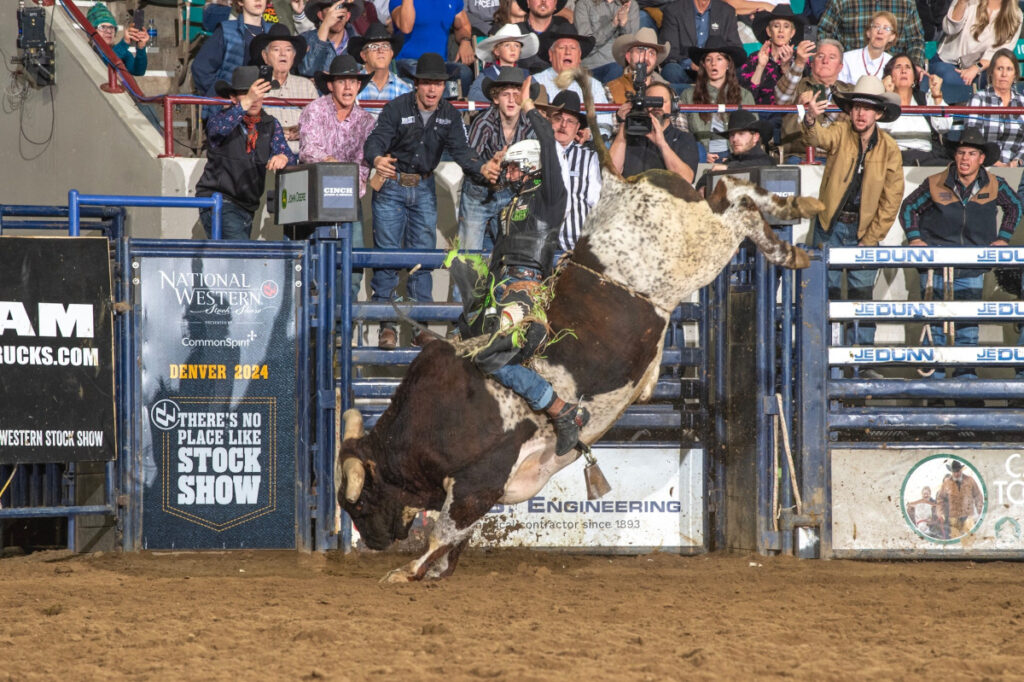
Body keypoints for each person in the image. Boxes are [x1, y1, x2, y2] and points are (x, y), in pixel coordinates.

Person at [460, 77, 590, 456]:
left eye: (514, 167)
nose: (508, 172)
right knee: (469, 346)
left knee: (489, 356)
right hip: (503, 289)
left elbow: (549, 147)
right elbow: (500, 254)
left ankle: (560, 408)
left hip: (526, 294)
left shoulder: (550, 196)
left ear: (531, 167)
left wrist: (532, 112)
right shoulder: (510, 208)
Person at [363, 53, 504, 349]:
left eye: (437, 84)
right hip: (392, 184)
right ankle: (387, 327)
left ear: (444, 86)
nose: (432, 89)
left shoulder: (450, 115)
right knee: (387, 257)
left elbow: (463, 152)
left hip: (424, 185)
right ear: (416, 84)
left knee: (423, 258)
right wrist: (376, 158)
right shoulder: (396, 107)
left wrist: (481, 167)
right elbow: (375, 140)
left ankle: (420, 326)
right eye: (427, 83)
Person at [899, 128, 1022, 386]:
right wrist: (915, 238)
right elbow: (909, 207)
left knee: (967, 328)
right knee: (935, 328)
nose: (965, 158)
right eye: (962, 153)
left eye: (972, 153)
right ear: (955, 156)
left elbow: (1014, 206)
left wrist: (1003, 238)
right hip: (935, 267)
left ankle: (966, 384)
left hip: (971, 267)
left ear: (981, 158)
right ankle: (935, 384)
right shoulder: (935, 182)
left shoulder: (994, 183)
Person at [801, 75, 904, 350]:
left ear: (878, 113)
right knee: (826, 294)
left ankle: (861, 359)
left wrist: (871, 237)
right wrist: (811, 119)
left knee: (862, 298)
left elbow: (891, 199)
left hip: (864, 229)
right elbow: (817, 137)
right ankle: (824, 355)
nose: (861, 113)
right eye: (857, 106)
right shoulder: (839, 130)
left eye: (868, 108)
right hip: (830, 226)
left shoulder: (890, 148)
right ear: (850, 109)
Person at [298, 55, 376, 292]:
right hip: (315, 199)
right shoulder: (315, 110)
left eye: (353, 81)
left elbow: (364, 164)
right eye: (342, 81)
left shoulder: (366, 121)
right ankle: (317, 325)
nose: (348, 87)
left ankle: (342, 326)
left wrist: (342, 176)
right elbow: (308, 150)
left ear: (359, 85)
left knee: (352, 266)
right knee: (313, 266)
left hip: (349, 199)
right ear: (331, 85)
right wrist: (334, 165)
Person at [195, 66, 298, 240]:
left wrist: (283, 157)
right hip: (220, 200)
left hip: (248, 206)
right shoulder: (220, 118)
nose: (254, 98)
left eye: (258, 92)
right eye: (247, 93)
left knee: (235, 261)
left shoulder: (270, 124)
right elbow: (217, 130)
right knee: (240, 254)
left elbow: (290, 157)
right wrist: (245, 103)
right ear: (233, 98)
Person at [459, 67, 538, 253]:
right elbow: (469, 161)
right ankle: (466, 283)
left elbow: (535, 163)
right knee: (469, 256)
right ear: (496, 98)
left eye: (516, 95)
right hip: (478, 193)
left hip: (511, 192)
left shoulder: (529, 125)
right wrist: (486, 168)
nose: (511, 100)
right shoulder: (483, 122)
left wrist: (522, 173)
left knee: (511, 253)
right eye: (505, 94)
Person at [538, 91, 602, 249]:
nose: (563, 125)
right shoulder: (535, 152)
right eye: (558, 119)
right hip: (539, 243)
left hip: (574, 245)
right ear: (549, 120)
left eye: (570, 121)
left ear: (578, 127)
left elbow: (596, 202)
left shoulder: (589, 158)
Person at [192, 0, 274, 120]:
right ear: (240, 2)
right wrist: (221, 95)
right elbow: (201, 68)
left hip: (265, 108)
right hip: (230, 109)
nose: (258, 0)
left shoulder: (273, 32)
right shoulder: (227, 30)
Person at [931, 0, 1023, 104]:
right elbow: (950, 29)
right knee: (949, 77)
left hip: (980, 71)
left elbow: (998, 53)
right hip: (947, 63)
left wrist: (975, 68)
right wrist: (962, 3)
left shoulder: (1016, 15)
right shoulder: (970, 3)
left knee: (991, 82)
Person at [531, 25, 614, 138]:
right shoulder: (535, 81)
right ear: (551, 55)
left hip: (584, 145)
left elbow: (605, 124)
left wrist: (588, 134)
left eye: (573, 48)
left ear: (579, 57)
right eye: (562, 48)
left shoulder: (593, 85)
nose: (568, 52)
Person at [777, 38, 853, 159]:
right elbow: (782, 98)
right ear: (811, 64)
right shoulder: (797, 85)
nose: (825, 61)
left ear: (840, 67)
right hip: (800, 155)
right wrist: (799, 62)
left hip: (838, 157)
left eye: (832, 57)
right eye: (820, 56)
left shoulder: (850, 92)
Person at [678, 42, 754, 160]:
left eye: (719, 59)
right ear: (703, 65)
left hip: (735, 155)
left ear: (728, 64)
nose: (713, 63)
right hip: (700, 155)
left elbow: (752, 132)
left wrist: (734, 157)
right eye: (709, 60)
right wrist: (699, 155)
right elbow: (681, 132)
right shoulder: (688, 95)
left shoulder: (744, 95)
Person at [610, 80, 699, 181]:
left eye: (661, 101)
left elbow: (686, 179)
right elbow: (611, 173)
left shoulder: (683, 138)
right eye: (650, 101)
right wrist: (623, 125)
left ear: (673, 107)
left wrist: (661, 143)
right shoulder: (628, 136)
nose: (657, 106)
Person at [249, 25, 315, 154]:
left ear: (293, 56)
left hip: (302, 156)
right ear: (265, 56)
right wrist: (275, 134)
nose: (283, 54)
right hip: (266, 154)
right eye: (276, 49)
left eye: (288, 50)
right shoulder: (256, 85)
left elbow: (318, 123)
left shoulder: (306, 86)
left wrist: (300, 132)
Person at [390, 0, 476, 95]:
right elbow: (406, 27)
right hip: (409, 64)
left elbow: (463, 26)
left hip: (439, 64)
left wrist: (465, 41)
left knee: (464, 73)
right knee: (425, 78)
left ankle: (455, 108)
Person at [880, 53, 951, 166]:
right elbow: (880, 132)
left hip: (927, 159)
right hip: (894, 159)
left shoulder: (926, 99)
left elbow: (944, 126)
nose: (903, 71)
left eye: (908, 67)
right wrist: (888, 97)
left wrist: (937, 96)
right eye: (898, 67)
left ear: (914, 78)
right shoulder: (881, 101)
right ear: (889, 76)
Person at [816, 0, 926, 71]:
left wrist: (915, 65)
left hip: (893, 73)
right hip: (849, 71)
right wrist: (834, 61)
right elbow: (825, 33)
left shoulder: (906, 3)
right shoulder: (841, 2)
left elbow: (915, 40)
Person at [658, 0, 743, 88]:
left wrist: (716, 63)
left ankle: (709, 92)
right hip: (687, 71)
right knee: (671, 70)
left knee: (739, 70)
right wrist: (691, 64)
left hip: (716, 70)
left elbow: (736, 48)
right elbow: (669, 51)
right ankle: (697, 93)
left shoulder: (727, 11)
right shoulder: (674, 10)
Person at [967, 48, 1024, 167]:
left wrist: (1018, 161)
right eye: (999, 69)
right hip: (985, 167)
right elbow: (973, 139)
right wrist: (994, 163)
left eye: (1009, 69)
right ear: (991, 72)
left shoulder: (1022, 102)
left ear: (1015, 75)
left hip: (1018, 168)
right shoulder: (979, 99)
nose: (1004, 74)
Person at [738, 5, 804, 105]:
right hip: (759, 116)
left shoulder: (800, 59)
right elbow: (747, 100)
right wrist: (760, 66)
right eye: (776, 26)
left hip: (788, 117)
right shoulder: (754, 58)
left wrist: (786, 68)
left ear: (792, 33)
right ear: (769, 31)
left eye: (786, 26)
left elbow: (800, 97)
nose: (781, 30)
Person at [697, 108, 774, 192]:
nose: (735, 139)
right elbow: (702, 181)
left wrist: (729, 168)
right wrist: (703, 188)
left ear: (755, 137)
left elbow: (766, 164)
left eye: (741, 134)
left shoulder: (766, 161)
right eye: (732, 135)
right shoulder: (730, 161)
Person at [467, 23, 540, 102]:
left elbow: (540, 96)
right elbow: (473, 96)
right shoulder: (487, 74)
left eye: (517, 46)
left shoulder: (525, 75)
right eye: (507, 45)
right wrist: (500, 101)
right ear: (497, 51)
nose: (513, 49)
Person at [574, 0, 640, 84]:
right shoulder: (584, 4)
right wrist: (613, 24)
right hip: (591, 67)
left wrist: (623, 24)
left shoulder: (631, 4)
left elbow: (631, 45)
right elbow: (587, 45)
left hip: (620, 67)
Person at [606, 27, 673, 104]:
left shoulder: (667, 90)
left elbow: (678, 116)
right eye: (641, 51)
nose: (646, 58)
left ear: (655, 60)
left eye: (651, 53)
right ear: (628, 56)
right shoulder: (611, 88)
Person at [299, 0, 363, 78]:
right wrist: (326, 25)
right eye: (331, 12)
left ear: (348, 16)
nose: (337, 17)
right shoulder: (305, 40)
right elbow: (308, 71)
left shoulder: (360, 44)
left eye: (341, 11)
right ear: (321, 16)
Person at [86, 3, 150, 77]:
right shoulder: (86, 50)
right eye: (103, 27)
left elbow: (138, 71)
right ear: (92, 31)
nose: (109, 31)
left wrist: (141, 47)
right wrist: (125, 42)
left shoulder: (123, 52)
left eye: (111, 27)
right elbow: (106, 64)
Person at [837, 11, 897, 85]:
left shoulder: (893, 63)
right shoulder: (847, 59)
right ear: (868, 32)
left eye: (886, 28)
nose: (880, 31)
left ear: (892, 37)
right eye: (876, 26)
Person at [514, 0, 574, 73]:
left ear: (555, 4)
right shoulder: (514, 33)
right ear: (528, 2)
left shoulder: (566, 31)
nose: (543, 1)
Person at [936, 460, 984, 537]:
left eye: (958, 471)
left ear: (961, 470)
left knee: (969, 536)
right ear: (951, 472)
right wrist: (940, 513)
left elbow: (978, 495)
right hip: (954, 517)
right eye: (954, 472)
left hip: (968, 515)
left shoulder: (970, 480)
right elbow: (940, 499)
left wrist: (979, 508)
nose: (956, 474)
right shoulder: (947, 483)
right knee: (956, 538)